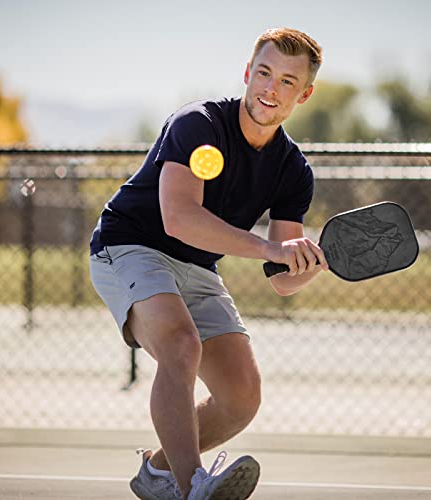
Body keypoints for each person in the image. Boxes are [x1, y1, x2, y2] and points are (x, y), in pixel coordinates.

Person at [90, 27, 328, 500]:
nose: (270, 88)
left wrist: (309, 263)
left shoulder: (293, 170)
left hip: (196, 266)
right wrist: (271, 250)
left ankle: (157, 472)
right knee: (181, 345)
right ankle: (192, 486)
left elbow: (281, 279)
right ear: (247, 72)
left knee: (241, 396)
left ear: (304, 94)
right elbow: (178, 219)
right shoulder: (197, 124)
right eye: (264, 73)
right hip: (130, 245)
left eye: (287, 81)